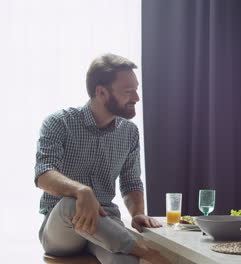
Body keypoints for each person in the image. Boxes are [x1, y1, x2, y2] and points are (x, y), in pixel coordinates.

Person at [35, 53, 170, 264]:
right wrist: (82, 191)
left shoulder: (129, 132)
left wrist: (138, 213)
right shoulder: (59, 123)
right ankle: (148, 253)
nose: (136, 97)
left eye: (136, 89)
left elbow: (131, 181)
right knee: (73, 202)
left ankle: (135, 249)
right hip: (63, 229)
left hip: (105, 224)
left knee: (124, 262)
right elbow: (43, 175)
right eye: (129, 91)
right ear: (101, 92)